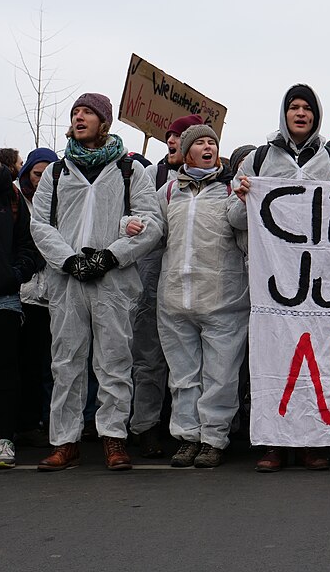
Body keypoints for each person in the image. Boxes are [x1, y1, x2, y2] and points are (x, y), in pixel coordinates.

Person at [31, 93, 163, 471]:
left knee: (114, 362)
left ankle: (113, 438)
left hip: (113, 282)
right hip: (67, 282)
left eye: (87, 112)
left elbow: (151, 222)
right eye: (75, 112)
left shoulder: (129, 170)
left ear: (103, 121)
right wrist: (69, 259)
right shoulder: (57, 172)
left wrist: (111, 256)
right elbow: (40, 224)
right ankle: (65, 441)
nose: (79, 117)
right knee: (66, 361)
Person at [231, 83, 330, 472]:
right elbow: (232, 220)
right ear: (283, 114)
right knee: (272, 358)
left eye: (308, 108)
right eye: (294, 107)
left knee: (316, 358)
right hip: (272, 282)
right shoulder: (258, 159)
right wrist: (243, 198)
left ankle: (313, 440)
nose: (300, 114)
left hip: (319, 283)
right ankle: (272, 442)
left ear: (316, 116)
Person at [153, 124, 248, 468]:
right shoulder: (167, 192)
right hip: (175, 300)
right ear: (188, 152)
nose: (208, 147)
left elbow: (242, 223)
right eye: (201, 143)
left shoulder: (230, 189)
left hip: (224, 299)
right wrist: (131, 226)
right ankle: (187, 436)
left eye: (213, 142)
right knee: (182, 376)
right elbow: (154, 230)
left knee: (220, 375)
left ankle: (213, 439)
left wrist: (244, 197)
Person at [129, 114, 202, 459]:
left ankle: (192, 429)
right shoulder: (152, 178)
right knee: (149, 359)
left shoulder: (216, 182)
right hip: (152, 283)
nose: (172, 141)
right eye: (171, 136)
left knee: (192, 362)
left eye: (181, 137)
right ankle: (145, 428)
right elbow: (139, 221)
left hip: (195, 286)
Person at [0, 129, 40, 468]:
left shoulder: (9, 194)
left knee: (4, 371)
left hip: (2, 296)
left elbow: (28, 245)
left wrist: (15, 274)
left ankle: (4, 439)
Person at [14, 147, 59, 449]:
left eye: (47, 175)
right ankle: (28, 422)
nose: (42, 180)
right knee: (27, 363)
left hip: (55, 293)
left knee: (54, 364)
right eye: (36, 174)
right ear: (27, 173)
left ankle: (52, 420)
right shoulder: (17, 202)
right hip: (26, 294)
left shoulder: (63, 202)